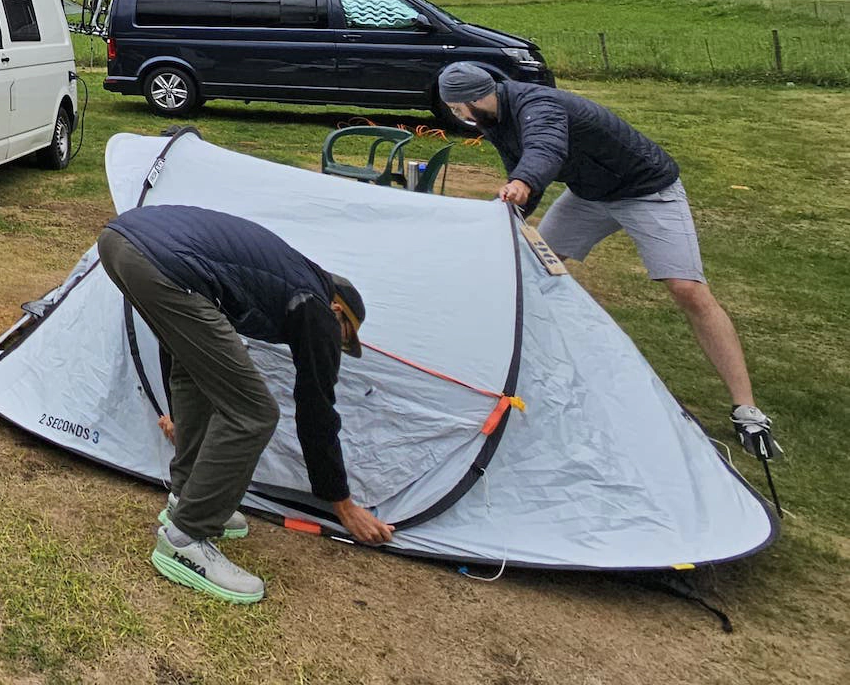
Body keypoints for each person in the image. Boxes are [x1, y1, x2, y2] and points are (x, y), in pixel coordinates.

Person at [436, 62, 781, 461]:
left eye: (456, 108)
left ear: (471, 99)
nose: (456, 116)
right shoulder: (494, 118)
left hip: (647, 190)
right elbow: (524, 173)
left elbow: (545, 149)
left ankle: (747, 410)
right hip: (589, 196)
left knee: (687, 289)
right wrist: (511, 212)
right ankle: (513, 368)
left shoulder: (537, 105)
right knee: (529, 265)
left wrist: (523, 181)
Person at [96, 204, 394, 605]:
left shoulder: (287, 277)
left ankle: (188, 497)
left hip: (121, 241)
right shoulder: (317, 306)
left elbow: (186, 353)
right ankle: (186, 537)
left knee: (196, 374)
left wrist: (178, 415)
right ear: (339, 312)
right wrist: (341, 503)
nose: (337, 345)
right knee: (254, 413)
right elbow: (316, 408)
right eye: (344, 338)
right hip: (160, 260)